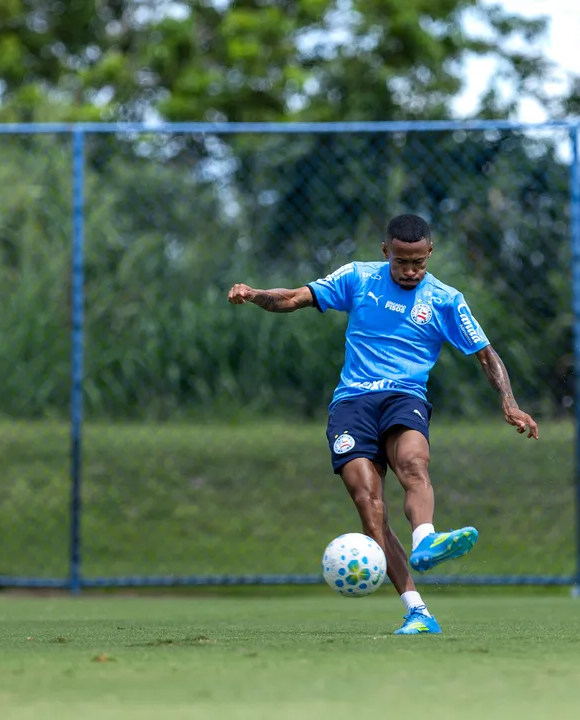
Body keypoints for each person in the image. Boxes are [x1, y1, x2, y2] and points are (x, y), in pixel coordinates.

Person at [227, 213, 539, 635]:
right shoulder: (358, 278)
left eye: (418, 263)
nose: (410, 271)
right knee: (369, 505)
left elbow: (486, 354)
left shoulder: (446, 299)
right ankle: (417, 611)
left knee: (413, 463)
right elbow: (295, 298)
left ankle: (425, 539)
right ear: (385, 252)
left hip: (404, 396)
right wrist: (254, 293)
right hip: (352, 403)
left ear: (429, 253)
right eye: (401, 262)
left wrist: (510, 403)